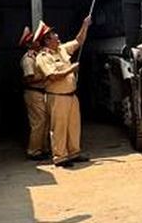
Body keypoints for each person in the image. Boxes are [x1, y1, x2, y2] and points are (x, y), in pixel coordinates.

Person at [34, 17, 91, 168]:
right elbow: (52, 76)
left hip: (71, 95)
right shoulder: (43, 57)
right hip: (57, 97)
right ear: (47, 40)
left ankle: (74, 152)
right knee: (59, 127)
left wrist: (85, 25)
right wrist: (71, 69)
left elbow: (78, 41)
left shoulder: (61, 49)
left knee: (73, 126)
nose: (57, 36)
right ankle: (60, 156)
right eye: (54, 35)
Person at [18, 26, 49, 160]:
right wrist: (46, 75)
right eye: (35, 41)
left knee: (45, 121)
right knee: (38, 122)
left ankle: (43, 148)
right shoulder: (28, 58)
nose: (39, 42)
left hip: (40, 92)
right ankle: (34, 151)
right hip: (34, 93)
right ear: (29, 44)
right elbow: (28, 79)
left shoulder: (38, 55)